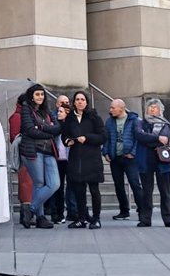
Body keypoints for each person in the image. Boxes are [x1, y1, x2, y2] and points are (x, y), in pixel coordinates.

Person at [10, 83, 61, 230]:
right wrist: (48, 131)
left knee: (54, 184)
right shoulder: (26, 109)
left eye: (42, 94)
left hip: (49, 151)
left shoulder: (47, 111)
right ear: (31, 96)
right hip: (33, 150)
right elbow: (30, 130)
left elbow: (58, 128)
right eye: (37, 94)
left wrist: (42, 127)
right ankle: (40, 217)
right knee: (38, 183)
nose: (40, 97)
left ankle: (30, 210)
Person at [62, 90, 105, 229]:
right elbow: (64, 135)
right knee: (79, 191)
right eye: (77, 99)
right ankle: (81, 218)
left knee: (94, 190)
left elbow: (103, 136)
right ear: (74, 102)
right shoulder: (70, 118)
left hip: (92, 159)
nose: (80, 102)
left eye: (82, 99)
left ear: (86, 102)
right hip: (76, 159)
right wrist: (67, 141)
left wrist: (87, 138)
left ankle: (96, 218)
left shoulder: (94, 117)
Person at [104, 99, 148, 225]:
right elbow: (106, 138)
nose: (110, 110)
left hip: (130, 158)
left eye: (113, 108)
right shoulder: (109, 122)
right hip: (115, 157)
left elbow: (138, 138)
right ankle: (124, 211)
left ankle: (142, 212)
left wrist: (133, 153)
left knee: (135, 184)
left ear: (121, 108)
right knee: (118, 186)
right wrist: (106, 152)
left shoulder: (134, 120)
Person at [135, 98, 170, 227]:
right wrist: (157, 138)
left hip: (162, 161)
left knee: (165, 191)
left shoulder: (166, 124)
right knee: (146, 192)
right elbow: (140, 136)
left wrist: (151, 140)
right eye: (150, 107)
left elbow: (166, 139)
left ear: (160, 110)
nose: (153, 109)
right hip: (145, 160)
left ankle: (169, 218)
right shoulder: (141, 123)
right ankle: (145, 219)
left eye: (155, 107)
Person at [46, 94, 74, 224]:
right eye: (58, 110)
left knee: (72, 186)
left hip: (69, 159)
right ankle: (57, 213)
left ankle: (73, 212)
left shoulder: (71, 125)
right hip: (57, 159)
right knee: (57, 187)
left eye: (61, 112)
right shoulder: (54, 124)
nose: (59, 113)